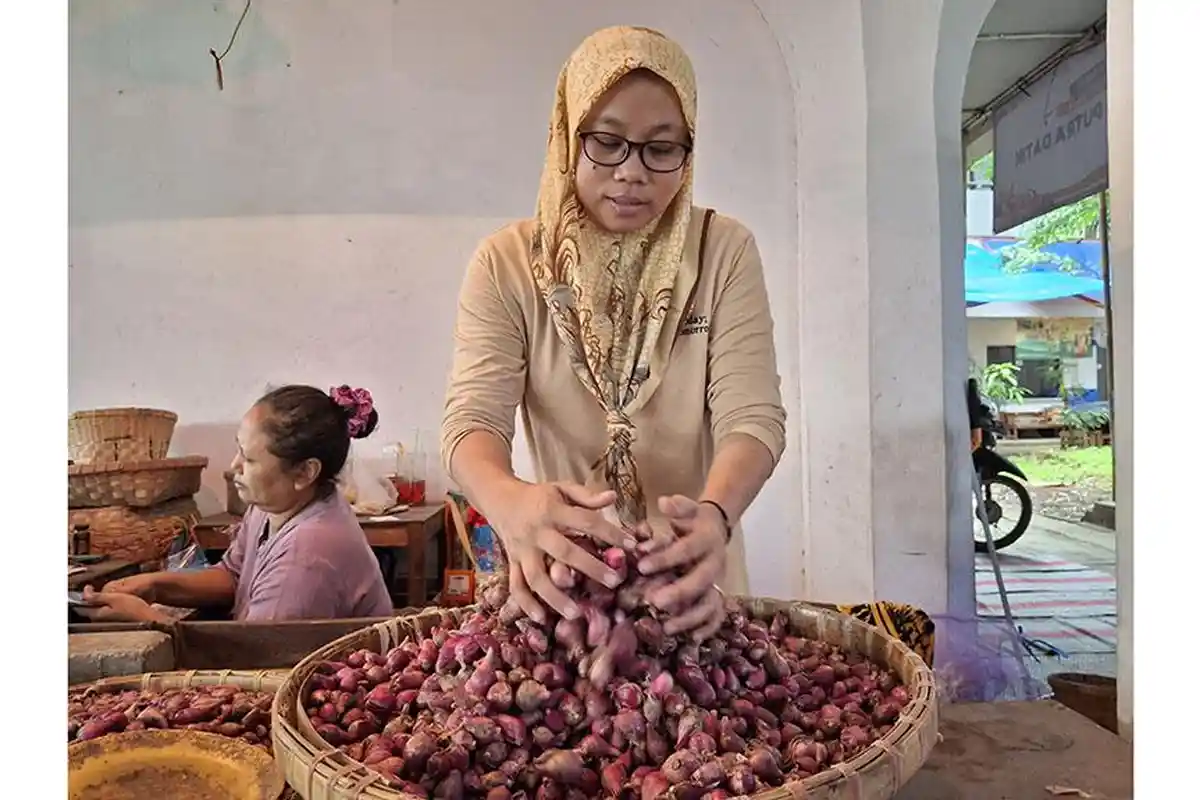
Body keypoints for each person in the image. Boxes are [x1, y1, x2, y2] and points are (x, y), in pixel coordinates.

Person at [441, 27, 786, 640]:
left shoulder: (722, 251)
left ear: (690, 150)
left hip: (691, 580)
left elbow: (753, 418)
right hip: (565, 580)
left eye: (661, 149)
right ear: (565, 137)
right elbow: (472, 422)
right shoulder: (508, 263)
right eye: (606, 142)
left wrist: (714, 517)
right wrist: (515, 505)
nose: (631, 173)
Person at [77, 384, 396, 623]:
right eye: (238, 450)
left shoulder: (308, 553)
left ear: (304, 472)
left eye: (249, 458)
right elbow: (233, 576)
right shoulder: (274, 506)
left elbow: (258, 656)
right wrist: (156, 585)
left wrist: (146, 618)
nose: (233, 466)